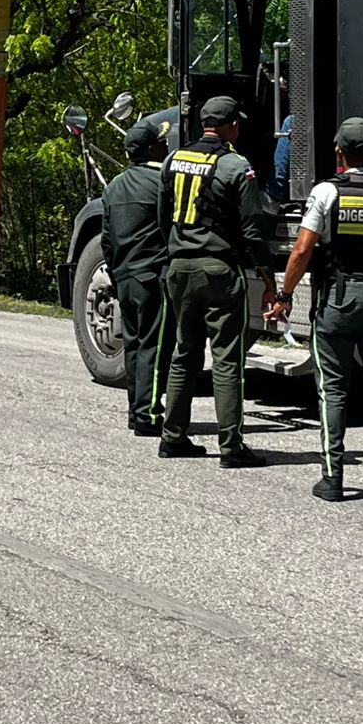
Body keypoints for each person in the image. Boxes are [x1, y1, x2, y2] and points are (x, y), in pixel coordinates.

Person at [264, 117, 363, 502]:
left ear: (338, 151)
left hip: (338, 300)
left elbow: (303, 250)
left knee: (333, 390)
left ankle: (333, 479)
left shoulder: (326, 193)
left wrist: (284, 295)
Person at [156, 96, 277, 466]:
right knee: (226, 358)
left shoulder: (173, 160)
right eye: (236, 124)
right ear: (228, 128)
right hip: (219, 270)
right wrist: (266, 274)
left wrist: (176, 250)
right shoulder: (235, 165)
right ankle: (231, 447)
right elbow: (252, 228)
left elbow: (163, 216)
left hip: (180, 269)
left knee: (184, 353)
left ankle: (172, 436)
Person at [99, 107, 179, 439]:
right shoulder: (160, 181)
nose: (164, 147)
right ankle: (148, 414)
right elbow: (169, 226)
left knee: (132, 344)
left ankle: (135, 410)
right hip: (153, 276)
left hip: (125, 276)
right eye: (160, 143)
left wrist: (117, 273)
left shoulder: (113, 187)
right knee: (156, 346)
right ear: (150, 150)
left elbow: (106, 239)